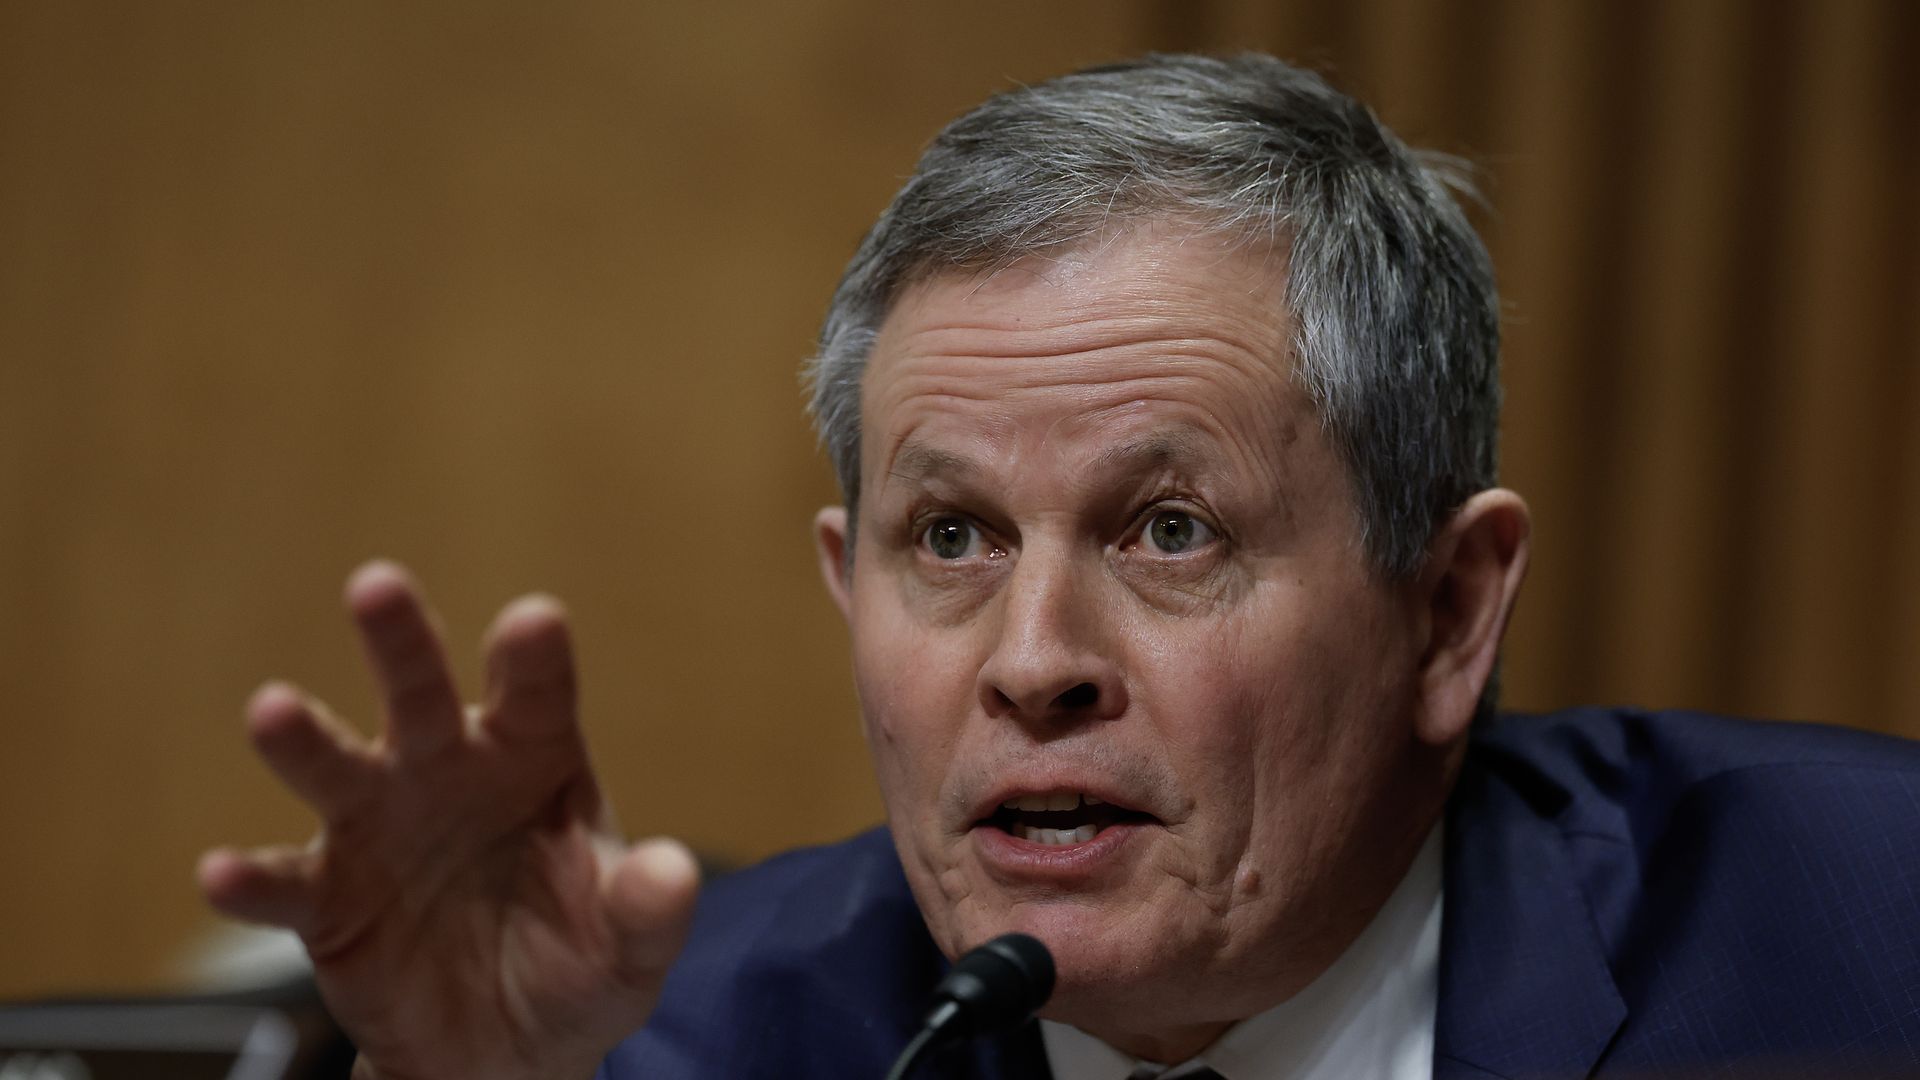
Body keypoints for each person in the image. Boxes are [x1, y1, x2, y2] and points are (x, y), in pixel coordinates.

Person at [199, 53, 1920, 1079]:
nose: (1032, 661)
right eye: (948, 539)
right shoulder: (667, 1042)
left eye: (1171, 531)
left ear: (1450, 611)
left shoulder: (1863, 938)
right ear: (844, 591)